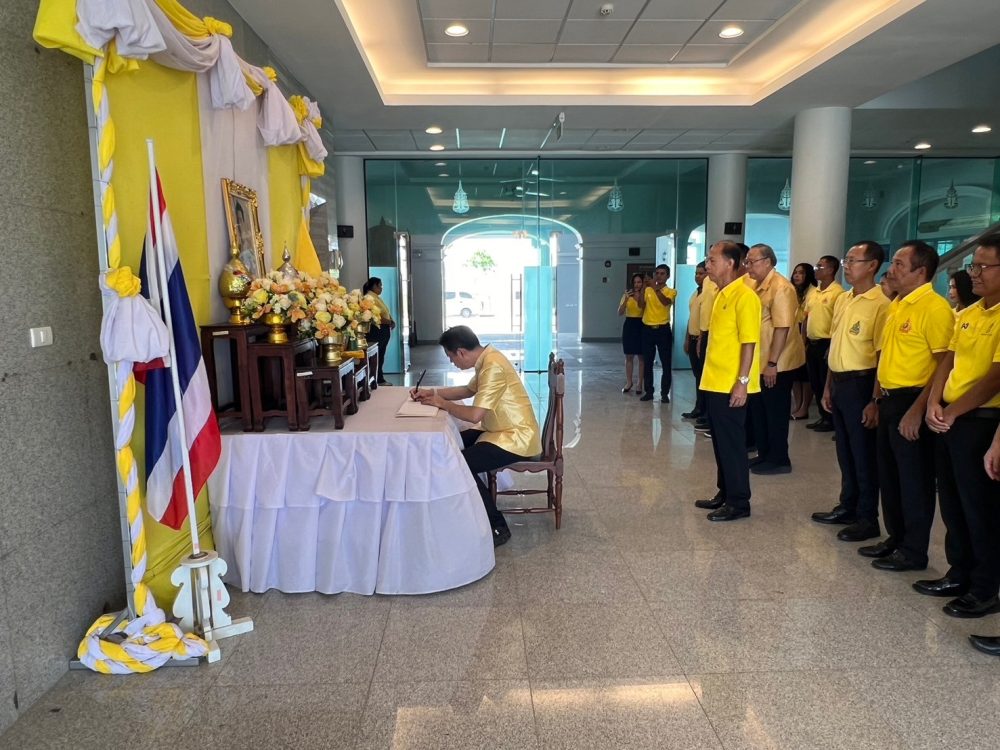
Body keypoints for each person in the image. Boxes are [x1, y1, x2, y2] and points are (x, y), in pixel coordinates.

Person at [918, 241, 1000, 619]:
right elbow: (947, 362)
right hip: (950, 418)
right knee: (952, 504)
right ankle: (959, 572)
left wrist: (951, 411)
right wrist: (935, 402)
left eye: (983, 267)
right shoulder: (968, 313)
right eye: (972, 266)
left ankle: (984, 588)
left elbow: (994, 378)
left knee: (979, 509)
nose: (974, 274)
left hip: (980, 421)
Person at [862, 241, 953, 572]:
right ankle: (896, 538)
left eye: (900, 264)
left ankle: (914, 550)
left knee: (914, 480)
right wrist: (875, 399)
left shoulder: (934, 308)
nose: (892, 269)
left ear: (921, 271)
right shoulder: (898, 304)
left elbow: (944, 365)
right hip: (888, 398)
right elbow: (886, 357)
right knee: (889, 476)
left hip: (912, 400)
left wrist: (918, 409)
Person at [412, 326, 541, 547]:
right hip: (499, 429)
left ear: (461, 352)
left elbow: (474, 415)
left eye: (451, 357)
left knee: (460, 463)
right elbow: (467, 391)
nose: (452, 362)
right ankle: (461, 511)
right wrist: (432, 393)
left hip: (516, 436)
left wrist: (442, 403)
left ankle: (497, 526)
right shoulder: (488, 358)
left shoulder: (492, 366)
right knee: (454, 441)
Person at [810, 241, 890, 543]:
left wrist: (874, 400)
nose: (847, 266)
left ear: (872, 265)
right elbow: (836, 345)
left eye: (853, 261)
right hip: (840, 381)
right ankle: (848, 505)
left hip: (862, 383)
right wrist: (828, 387)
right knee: (844, 451)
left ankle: (867, 518)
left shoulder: (881, 304)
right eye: (846, 260)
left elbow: (882, 357)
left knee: (863, 454)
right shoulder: (843, 299)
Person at [693, 241, 761, 521]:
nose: (707, 265)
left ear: (730, 263)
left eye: (712, 260)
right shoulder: (722, 293)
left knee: (732, 444)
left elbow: (749, 343)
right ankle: (725, 492)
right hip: (715, 381)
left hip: (731, 384)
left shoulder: (745, 296)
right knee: (721, 443)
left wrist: (742, 382)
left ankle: (739, 502)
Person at [744, 244, 805, 475]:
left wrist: (772, 364)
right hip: (761, 361)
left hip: (778, 363)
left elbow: (782, 328)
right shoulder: (756, 285)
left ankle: (779, 459)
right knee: (760, 411)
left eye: (752, 262)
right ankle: (764, 454)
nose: (748, 266)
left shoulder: (782, 288)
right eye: (747, 262)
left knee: (775, 411)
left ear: (768, 262)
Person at [803, 256, 845, 432]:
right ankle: (823, 416)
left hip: (826, 343)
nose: (816, 269)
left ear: (831, 270)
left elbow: (838, 323)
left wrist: (832, 346)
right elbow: (806, 318)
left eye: (820, 266)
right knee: (815, 382)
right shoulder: (813, 292)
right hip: (812, 343)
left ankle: (831, 419)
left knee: (825, 381)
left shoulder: (838, 293)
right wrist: (803, 341)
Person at [638, 264, 676, 403]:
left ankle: (664, 393)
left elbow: (665, 302)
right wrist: (644, 288)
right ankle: (649, 391)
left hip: (663, 329)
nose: (659, 276)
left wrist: (654, 287)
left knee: (666, 363)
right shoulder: (648, 289)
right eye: (657, 273)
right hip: (647, 329)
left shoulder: (671, 291)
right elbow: (641, 305)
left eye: (662, 273)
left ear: (667, 276)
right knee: (648, 362)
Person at [790, 262, 817, 419]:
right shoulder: (791, 291)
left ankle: (804, 407)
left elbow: (808, 319)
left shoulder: (813, 293)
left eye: (801, 273)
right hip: (793, 332)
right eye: (795, 272)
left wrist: (803, 341)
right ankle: (798, 405)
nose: (797, 276)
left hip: (805, 332)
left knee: (805, 375)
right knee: (795, 373)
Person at [682, 262, 707, 419]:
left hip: (701, 339)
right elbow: (692, 317)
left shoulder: (710, 293)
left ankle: (705, 411)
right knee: (697, 375)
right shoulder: (696, 292)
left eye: (701, 273)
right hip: (692, 338)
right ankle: (699, 407)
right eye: (696, 273)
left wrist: (700, 340)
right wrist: (686, 338)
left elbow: (707, 320)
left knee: (704, 376)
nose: (697, 276)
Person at [618, 273, 645, 394]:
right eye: (635, 282)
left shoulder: (646, 295)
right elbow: (620, 312)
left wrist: (640, 297)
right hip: (629, 324)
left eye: (639, 282)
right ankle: (629, 382)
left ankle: (640, 383)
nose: (637, 285)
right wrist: (626, 299)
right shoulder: (627, 295)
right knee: (629, 355)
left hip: (642, 324)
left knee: (641, 356)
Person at [364, 277, 395, 385]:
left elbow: (384, 312)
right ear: (374, 286)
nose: (381, 288)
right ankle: (376, 380)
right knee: (376, 356)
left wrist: (391, 321)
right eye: (380, 285)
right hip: (377, 331)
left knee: (381, 355)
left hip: (383, 330)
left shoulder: (375, 297)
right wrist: (389, 322)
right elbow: (374, 316)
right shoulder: (369, 298)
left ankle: (379, 379)